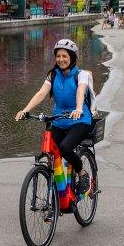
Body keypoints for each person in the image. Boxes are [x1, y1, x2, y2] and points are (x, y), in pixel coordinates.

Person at [15, 39, 95, 196]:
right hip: (59, 120)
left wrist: (79, 108)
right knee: (51, 150)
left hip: (80, 120)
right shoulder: (53, 75)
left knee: (65, 148)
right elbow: (41, 93)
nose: (61, 59)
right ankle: (58, 191)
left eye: (65, 56)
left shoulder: (81, 75)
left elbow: (80, 91)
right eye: (58, 56)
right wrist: (25, 110)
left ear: (72, 57)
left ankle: (82, 173)